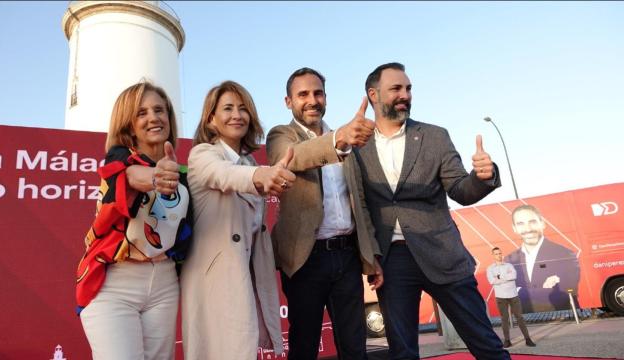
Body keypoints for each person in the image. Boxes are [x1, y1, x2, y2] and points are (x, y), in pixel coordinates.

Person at [347, 62, 510, 359]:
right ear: (373, 94)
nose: (405, 95)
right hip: (392, 261)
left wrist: (483, 178)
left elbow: (460, 189)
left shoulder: (435, 136)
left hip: (443, 253)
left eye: (408, 89)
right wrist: (371, 260)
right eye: (396, 88)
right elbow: (360, 210)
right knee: (403, 352)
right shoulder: (356, 148)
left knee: (485, 344)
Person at [266, 67, 384, 360]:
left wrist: (372, 257)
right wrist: (338, 141)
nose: (311, 100)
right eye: (302, 94)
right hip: (306, 261)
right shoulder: (281, 135)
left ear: (326, 98)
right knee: (304, 347)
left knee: (355, 347)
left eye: (317, 93)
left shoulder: (347, 142)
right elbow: (294, 158)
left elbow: (359, 204)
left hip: (346, 258)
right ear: (288, 101)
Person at [76, 81, 192, 360]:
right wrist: (155, 178)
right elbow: (130, 177)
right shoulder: (117, 161)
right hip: (114, 283)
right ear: (128, 125)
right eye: (142, 113)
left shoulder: (182, 172)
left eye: (159, 110)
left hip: (164, 283)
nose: (154, 117)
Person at [180, 80, 293, 359]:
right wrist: (260, 177)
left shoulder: (250, 163)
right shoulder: (203, 155)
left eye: (243, 109)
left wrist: (258, 172)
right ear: (211, 119)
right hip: (215, 280)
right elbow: (223, 175)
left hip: (245, 276)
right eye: (227, 108)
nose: (237, 115)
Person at [506, 204, 580, 313]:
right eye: (521, 224)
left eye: (532, 222)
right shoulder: (509, 260)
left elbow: (566, 292)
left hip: (561, 316)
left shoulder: (565, 254)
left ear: (543, 223)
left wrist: (520, 291)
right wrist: (544, 290)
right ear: (514, 228)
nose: (528, 229)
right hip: (528, 319)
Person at [487, 247, 536, 348]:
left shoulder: (509, 265)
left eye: (500, 253)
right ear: (493, 255)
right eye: (496, 254)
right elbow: (492, 281)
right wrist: (505, 277)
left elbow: (513, 276)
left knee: (520, 317)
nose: (499, 255)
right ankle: (507, 340)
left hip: (513, 295)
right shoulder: (490, 269)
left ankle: (528, 339)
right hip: (500, 296)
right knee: (504, 319)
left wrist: (499, 277)